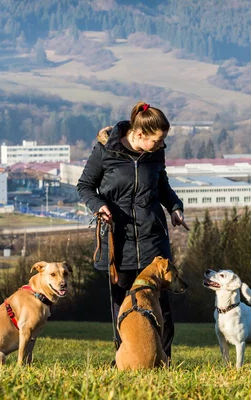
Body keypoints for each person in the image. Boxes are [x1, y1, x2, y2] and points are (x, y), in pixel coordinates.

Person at [77, 102, 188, 359]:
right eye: (157, 140)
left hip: (153, 242)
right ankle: (126, 359)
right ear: (139, 135)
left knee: (162, 308)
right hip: (119, 242)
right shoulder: (105, 151)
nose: (161, 145)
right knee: (123, 308)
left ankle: (164, 361)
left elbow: (163, 187)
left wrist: (174, 207)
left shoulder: (156, 154)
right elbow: (84, 186)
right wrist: (99, 205)